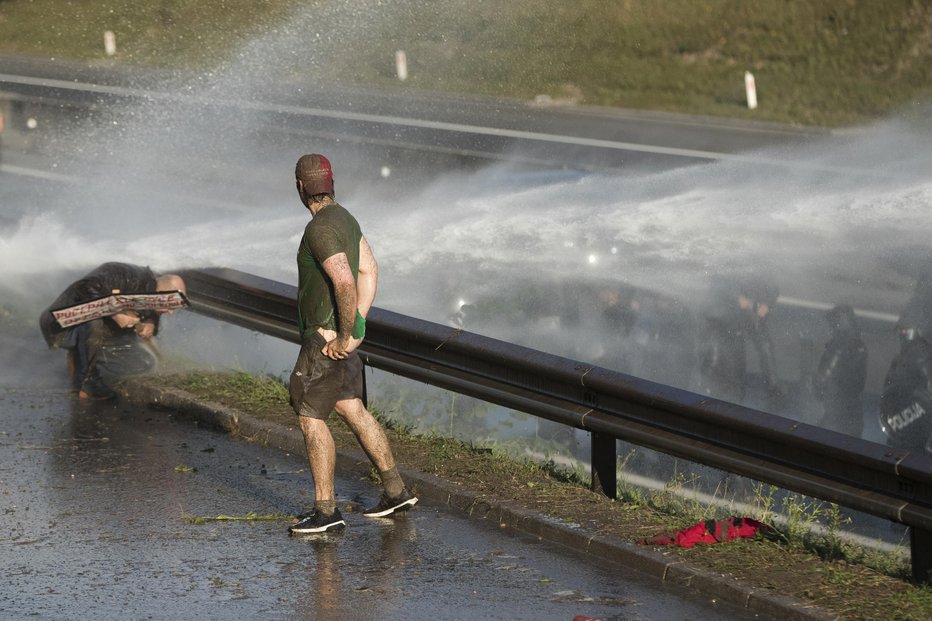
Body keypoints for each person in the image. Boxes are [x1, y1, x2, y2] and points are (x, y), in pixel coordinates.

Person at [288, 153, 417, 534]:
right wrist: (358, 323)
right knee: (353, 410)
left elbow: (344, 280)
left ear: (299, 187)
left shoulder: (319, 230)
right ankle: (395, 490)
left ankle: (325, 512)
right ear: (331, 183)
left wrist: (344, 335)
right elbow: (369, 269)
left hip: (325, 340)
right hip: (342, 337)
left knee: (310, 418)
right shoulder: (346, 218)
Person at [39, 262, 187, 400]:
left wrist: (150, 322)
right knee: (93, 322)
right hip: (62, 327)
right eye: (171, 305)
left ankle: (89, 369)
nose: (170, 312)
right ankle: (85, 383)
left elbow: (150, 315)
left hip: (104, 338)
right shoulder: (123, 274)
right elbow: (85, 288)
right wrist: (116, 314)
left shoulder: (152, 297)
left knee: (144, 364)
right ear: (160, 292)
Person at [695, 274, 782, 408]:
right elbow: (719, 278)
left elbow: (764, 345)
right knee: (712, 385)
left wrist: (766, 302)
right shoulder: (724, 300)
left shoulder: (753, 312)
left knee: (732, 391)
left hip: (733, 335)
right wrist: (738, 297)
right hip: (717, 330)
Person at [812, 305, 867, 436]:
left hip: (837, 411)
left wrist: (817, 386)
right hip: (852, 412)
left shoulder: (838, 346)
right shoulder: (859, 345)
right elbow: (859, 383)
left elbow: (823, 377)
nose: (831, 325)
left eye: (834, 321)